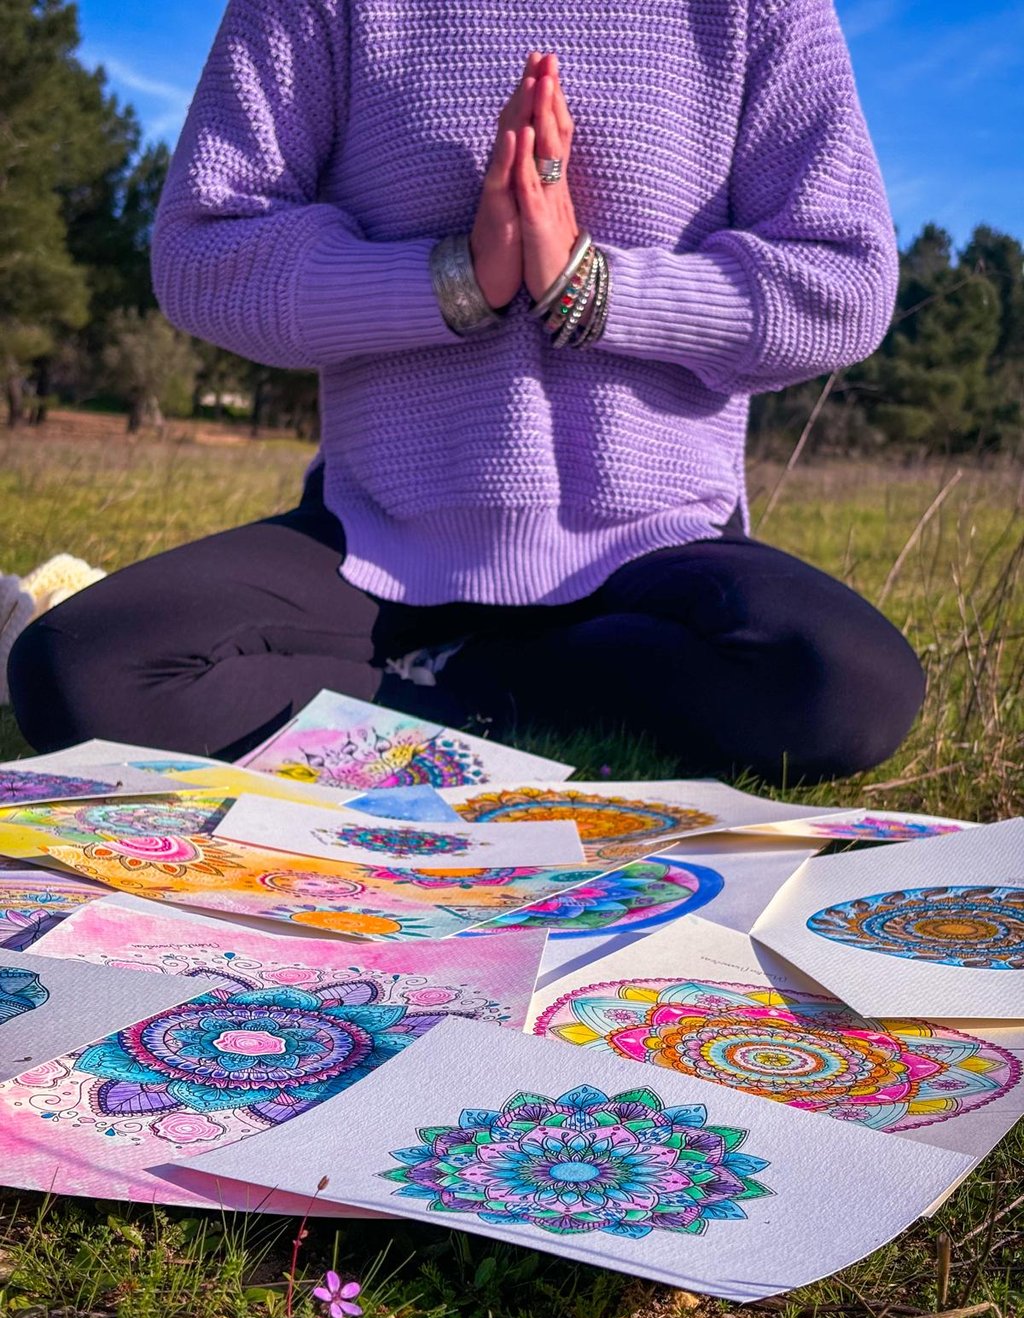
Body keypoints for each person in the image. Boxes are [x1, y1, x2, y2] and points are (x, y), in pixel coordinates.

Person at [8, 0, 925, 784]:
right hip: (378, 535)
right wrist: (458, 280)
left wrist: (589, 287)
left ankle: (460, 688)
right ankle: (506, 691)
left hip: (654, 543)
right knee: (80, 671)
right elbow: (203, 251)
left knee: (848, 685)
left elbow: (844, 282)